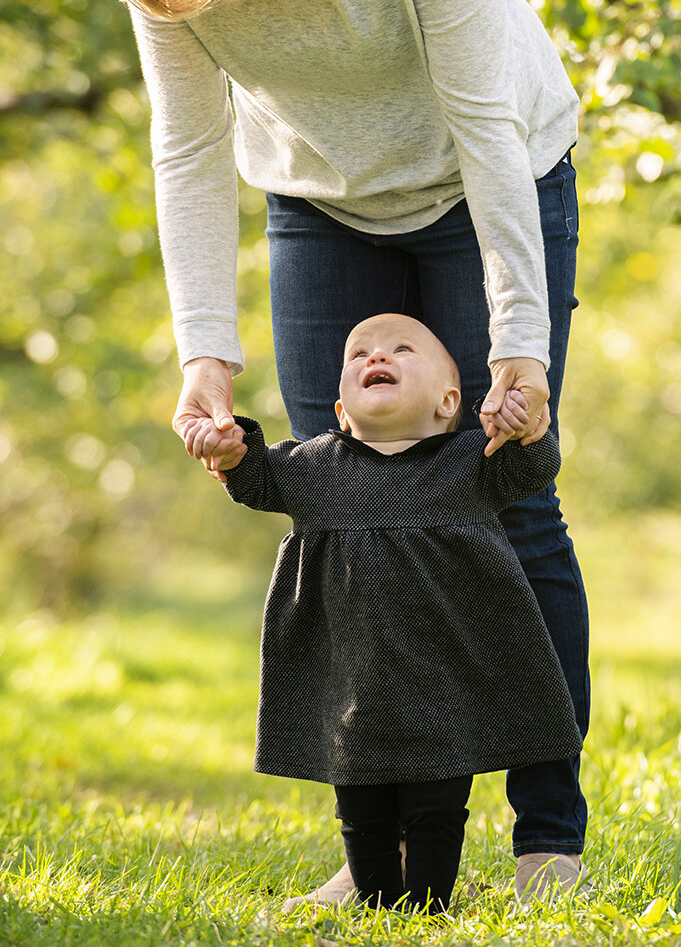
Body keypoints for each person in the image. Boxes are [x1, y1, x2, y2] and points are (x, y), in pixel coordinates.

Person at [63, 0, 591, 904]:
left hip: (483, 175)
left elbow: (486, 122)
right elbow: (189, 149)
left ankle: (548, 839)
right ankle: (382, 858)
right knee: (349, 515)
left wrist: (520, 341)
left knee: (508, 496)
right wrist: (204, 348)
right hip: (319, 197)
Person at [205, 313, 582, 915]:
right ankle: (376, 898)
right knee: (361, 809)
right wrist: (231, 448)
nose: (375, 356)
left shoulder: (469, 461)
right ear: (340, 410)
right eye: (358, 354)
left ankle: (430, 904)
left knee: (438, 807)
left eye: (401, 349)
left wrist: (529, 431)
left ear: (449, 401)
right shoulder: (314, 466)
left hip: (448, 681)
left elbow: (532, 472)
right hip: (350, 680)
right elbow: (256, 479)